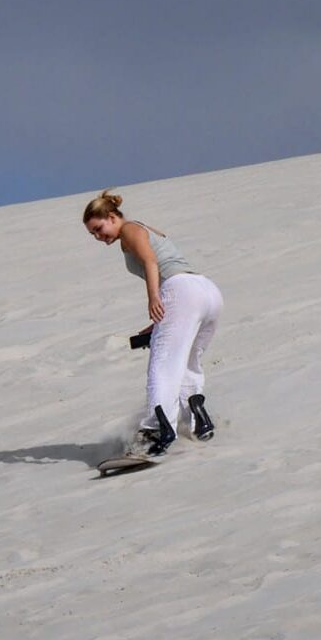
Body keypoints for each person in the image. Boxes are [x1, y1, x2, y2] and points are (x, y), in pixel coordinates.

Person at [82, 189, 222, 455]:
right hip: (207, 292)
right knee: (189, 360)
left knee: (163, 364)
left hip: (180, 290)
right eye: (93, 234)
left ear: (112, 217)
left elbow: (150, 261)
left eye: (99, 229)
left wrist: (153, 299)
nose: (99, 237)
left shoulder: (130, 230)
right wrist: (159, 320)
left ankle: (157, 432)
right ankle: (198, 419)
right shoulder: (144, 228)